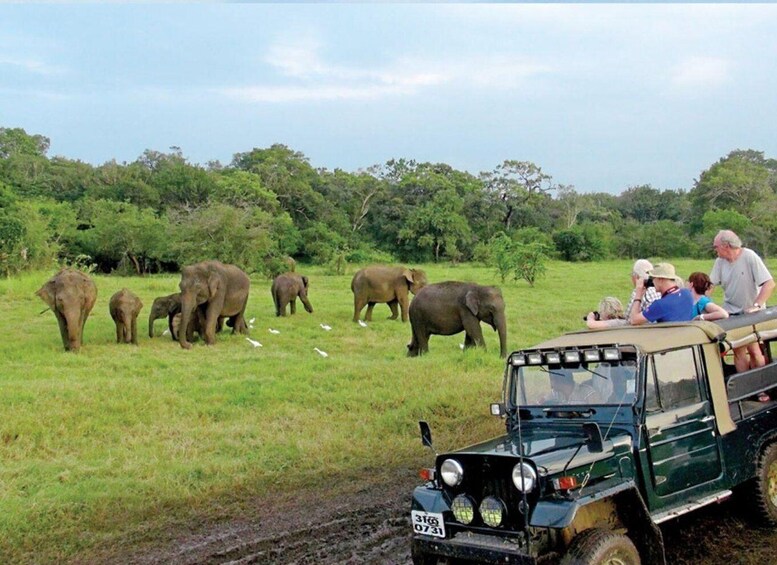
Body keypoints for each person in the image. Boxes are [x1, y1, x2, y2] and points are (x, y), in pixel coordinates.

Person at [710, 229, 775, 371]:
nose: (714, 249)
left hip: (751, 314)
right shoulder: (720, 262)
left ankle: (762, 389)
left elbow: (769, 284)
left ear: (726, 246)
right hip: (732, 313)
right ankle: (745, 388)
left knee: (754, 350)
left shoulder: (749, 256)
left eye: (716, 246)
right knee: (738, 350)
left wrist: (757, 305)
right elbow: (710, 285)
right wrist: (701, 299)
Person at [585, 259, 660, 329]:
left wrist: (594, 320)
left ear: (636, 276)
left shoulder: (639, 291)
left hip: (642, 327)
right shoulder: (658, 288)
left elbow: (629, 319)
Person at [628, 262, 694, 325]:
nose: (652, 282)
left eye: (653, 278)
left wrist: (638, 295)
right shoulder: (687, 294)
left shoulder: (660, 305)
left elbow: (634, 320)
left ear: (660, 280)